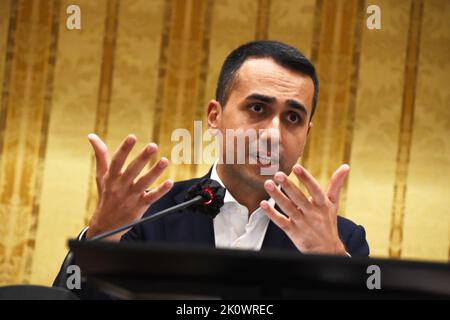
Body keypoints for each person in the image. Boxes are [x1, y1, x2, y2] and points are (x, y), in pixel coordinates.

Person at [54, 41, 369, 295]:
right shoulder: (146, 216)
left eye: (292, 118)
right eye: (258, 108)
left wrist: (333, 270)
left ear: (306, 136)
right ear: (214, 117)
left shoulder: (342, 241)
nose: (273, 134)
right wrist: (100, 238)